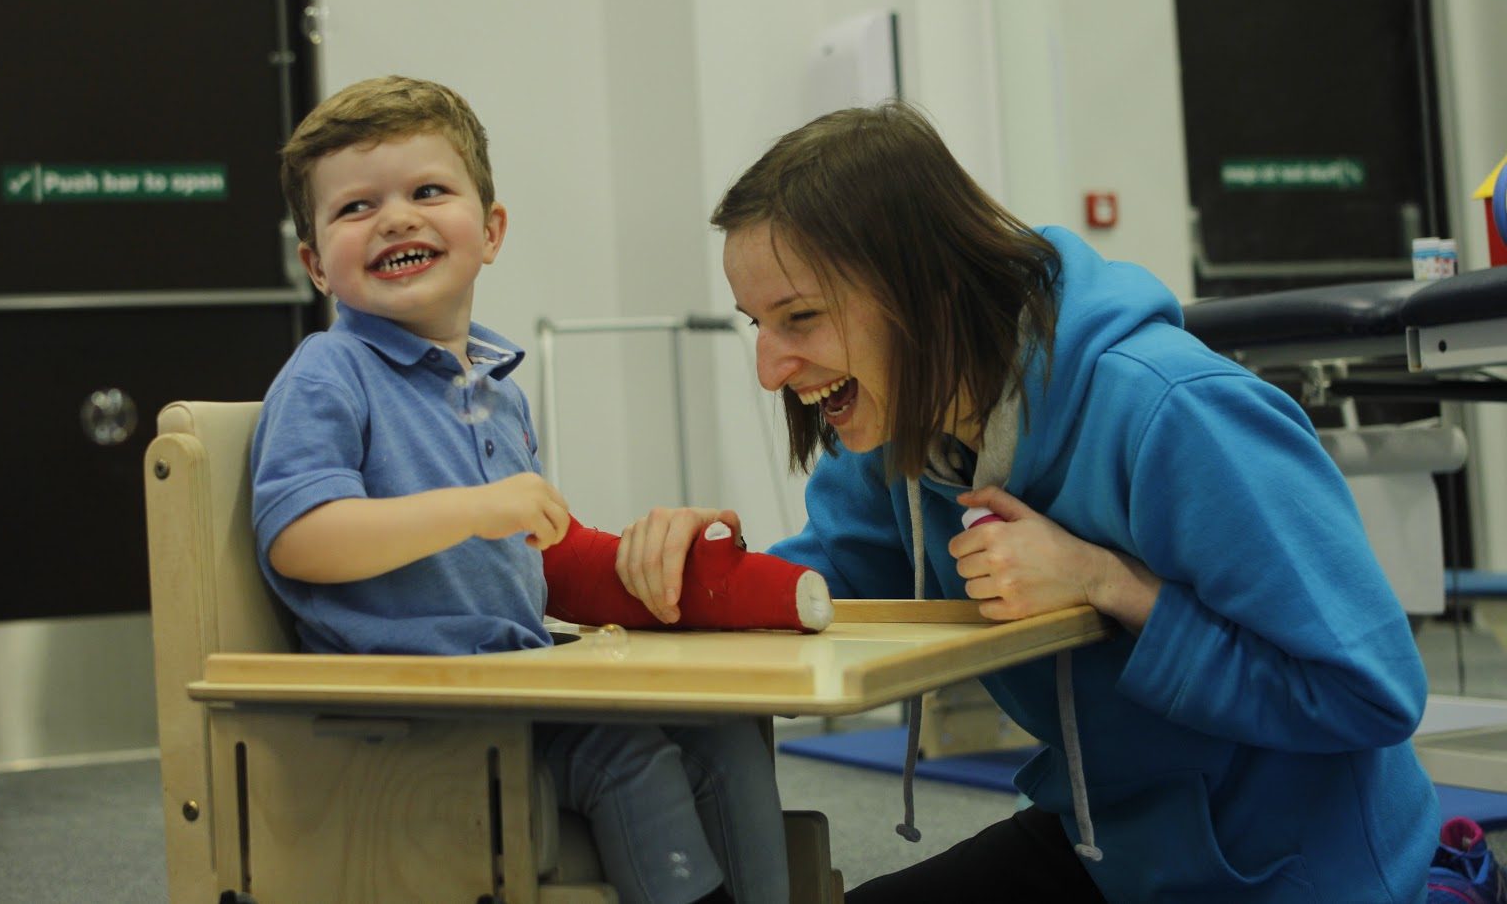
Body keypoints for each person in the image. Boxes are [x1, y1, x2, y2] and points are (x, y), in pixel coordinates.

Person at [616, 100, 1440, 901]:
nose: (769, 369)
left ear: (928, 291)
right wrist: (704, 571)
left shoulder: (1173, 412)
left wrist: (1109, 583)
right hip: (1108, 845)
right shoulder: (900, 428)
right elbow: (828, 573)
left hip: (1293, 873)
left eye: (800, 317)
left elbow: (1371, 690)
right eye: (756, 323)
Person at [249, 74, 789, 904]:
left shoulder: (497, 382)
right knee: (627, 752)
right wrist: (471, 509)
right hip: (414, 707)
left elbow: (536, 560)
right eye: (357, 207)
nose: (395, 217)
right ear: (316, 263)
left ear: (491, 230)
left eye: (429, 190)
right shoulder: (327, 373)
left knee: (729, 730)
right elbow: (301, 535)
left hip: (516, 684)